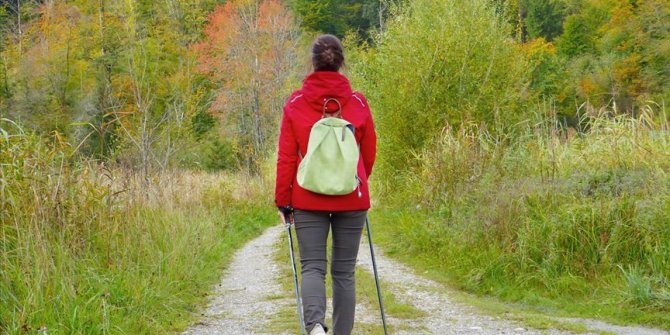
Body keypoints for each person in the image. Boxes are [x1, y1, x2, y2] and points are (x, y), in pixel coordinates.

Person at [275, 34, 377, 335]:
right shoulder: (358, 102)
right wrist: (357, 182)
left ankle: (316, 327)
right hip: (352, 198)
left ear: (313, 62)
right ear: (342, 61)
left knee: (312, 267)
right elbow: (369, 152)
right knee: (344, 272)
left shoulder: (295, 103)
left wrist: (284, 200)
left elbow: (286, 158)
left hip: (308, 198)